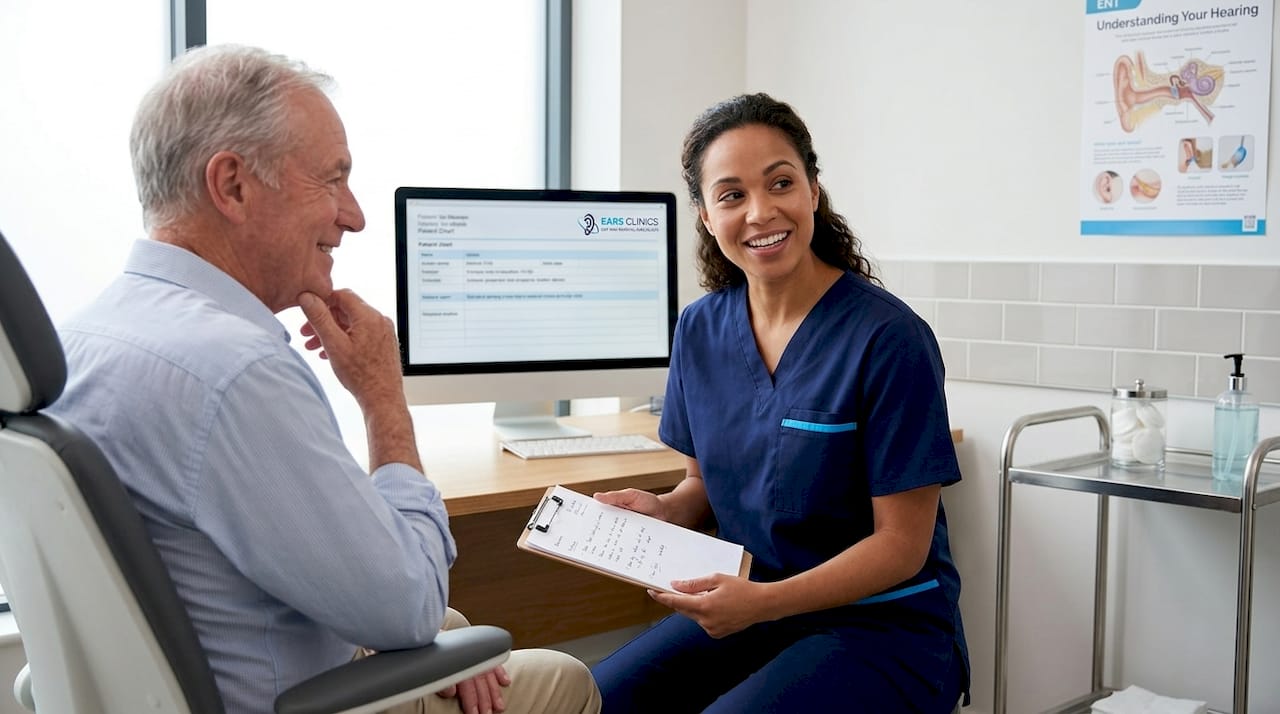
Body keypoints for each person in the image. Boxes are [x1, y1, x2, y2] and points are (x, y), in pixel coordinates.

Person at [48, 43, 599, 714]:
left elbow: (252, 568)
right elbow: (409, 607)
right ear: (233, 185)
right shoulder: (235, 371)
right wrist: (382, 398)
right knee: (565, 679)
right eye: (332, 179)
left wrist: (429, 625)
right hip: (305, 701)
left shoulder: (81, 340)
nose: (355, 214)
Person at [589, 93, 969, 713]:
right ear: (707, 216)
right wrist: (663, 510)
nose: (761, 212)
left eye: (781, 183)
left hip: (880, 628)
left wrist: (762, 603)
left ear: (813, 191)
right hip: (752, 608)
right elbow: (704, 486)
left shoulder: (888, 339)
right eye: (732, 195)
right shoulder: (700, 329)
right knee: (592, 701)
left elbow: (901, 546)